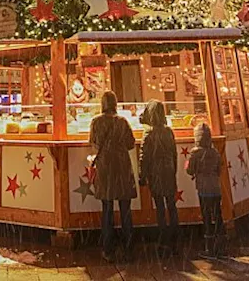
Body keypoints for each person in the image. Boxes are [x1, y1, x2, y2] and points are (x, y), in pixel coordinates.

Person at [89, 91, 136, 262]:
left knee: (107, 210)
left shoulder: (96, 122)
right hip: (122, 167)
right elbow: (131, 144)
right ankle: (129, 248)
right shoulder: (123, 121)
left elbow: (93, 143)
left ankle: (108, 249)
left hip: (105, 168)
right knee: (125, 211)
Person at [138, 100, 178, 256]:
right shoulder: (168, 132)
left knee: (160, 208)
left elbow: (144, 157)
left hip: (155, 174)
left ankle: (163, 240)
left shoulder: (149, 134)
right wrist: (173, 170)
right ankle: (175, 238)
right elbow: (174, 154)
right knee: (172, 206)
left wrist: (142, 176)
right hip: (168, 171)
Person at [186, 122, 223, 257]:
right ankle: (221, 244)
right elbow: (219, 170)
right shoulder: (215, 152)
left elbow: (189, 170)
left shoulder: (195, 153)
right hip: (216, 188)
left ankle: (209, 247)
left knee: (206, 216)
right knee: (218, 215)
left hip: (203, 189)